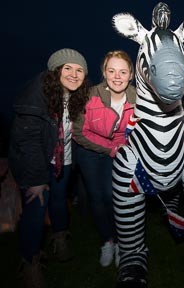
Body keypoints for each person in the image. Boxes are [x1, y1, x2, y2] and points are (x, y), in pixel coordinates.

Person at [8, 48, 90, 287]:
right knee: (36, 207)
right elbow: (27, 139)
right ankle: (30, 262)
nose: (74, 75)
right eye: (68, 68)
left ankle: (60, 239)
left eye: (80, 70)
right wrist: (35, 179)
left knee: (58, 200)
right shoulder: (36, 94)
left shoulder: (77, 95)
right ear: (55, 71)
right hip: (35, 162)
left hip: (62, 159)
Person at [72, 50, 136, 268]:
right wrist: (110, 148)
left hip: (119, 150)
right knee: (96, 196)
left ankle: (121, 242)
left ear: (131, 75)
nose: (117, 76)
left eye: (123, 72)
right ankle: (106, 241)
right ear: (104, 73)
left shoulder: (139, 99)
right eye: (112, 71)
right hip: (89, 150)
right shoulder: (90, 95)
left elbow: (141, 131)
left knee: (112, 195)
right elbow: (79, 133)